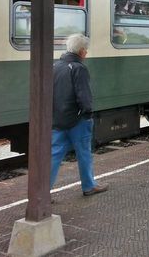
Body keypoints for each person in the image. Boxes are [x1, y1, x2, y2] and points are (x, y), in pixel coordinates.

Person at [50, 34, 109, 197]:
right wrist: (88, 113)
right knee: (84, 153)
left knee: (54, 155)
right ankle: (89, 186)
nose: (86, 53)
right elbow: (84, 95)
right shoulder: (78, 68)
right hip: (78, 121)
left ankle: (43, 192)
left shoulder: (56, 66)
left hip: (58, 119)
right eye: (86, 50)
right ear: (82, 51)